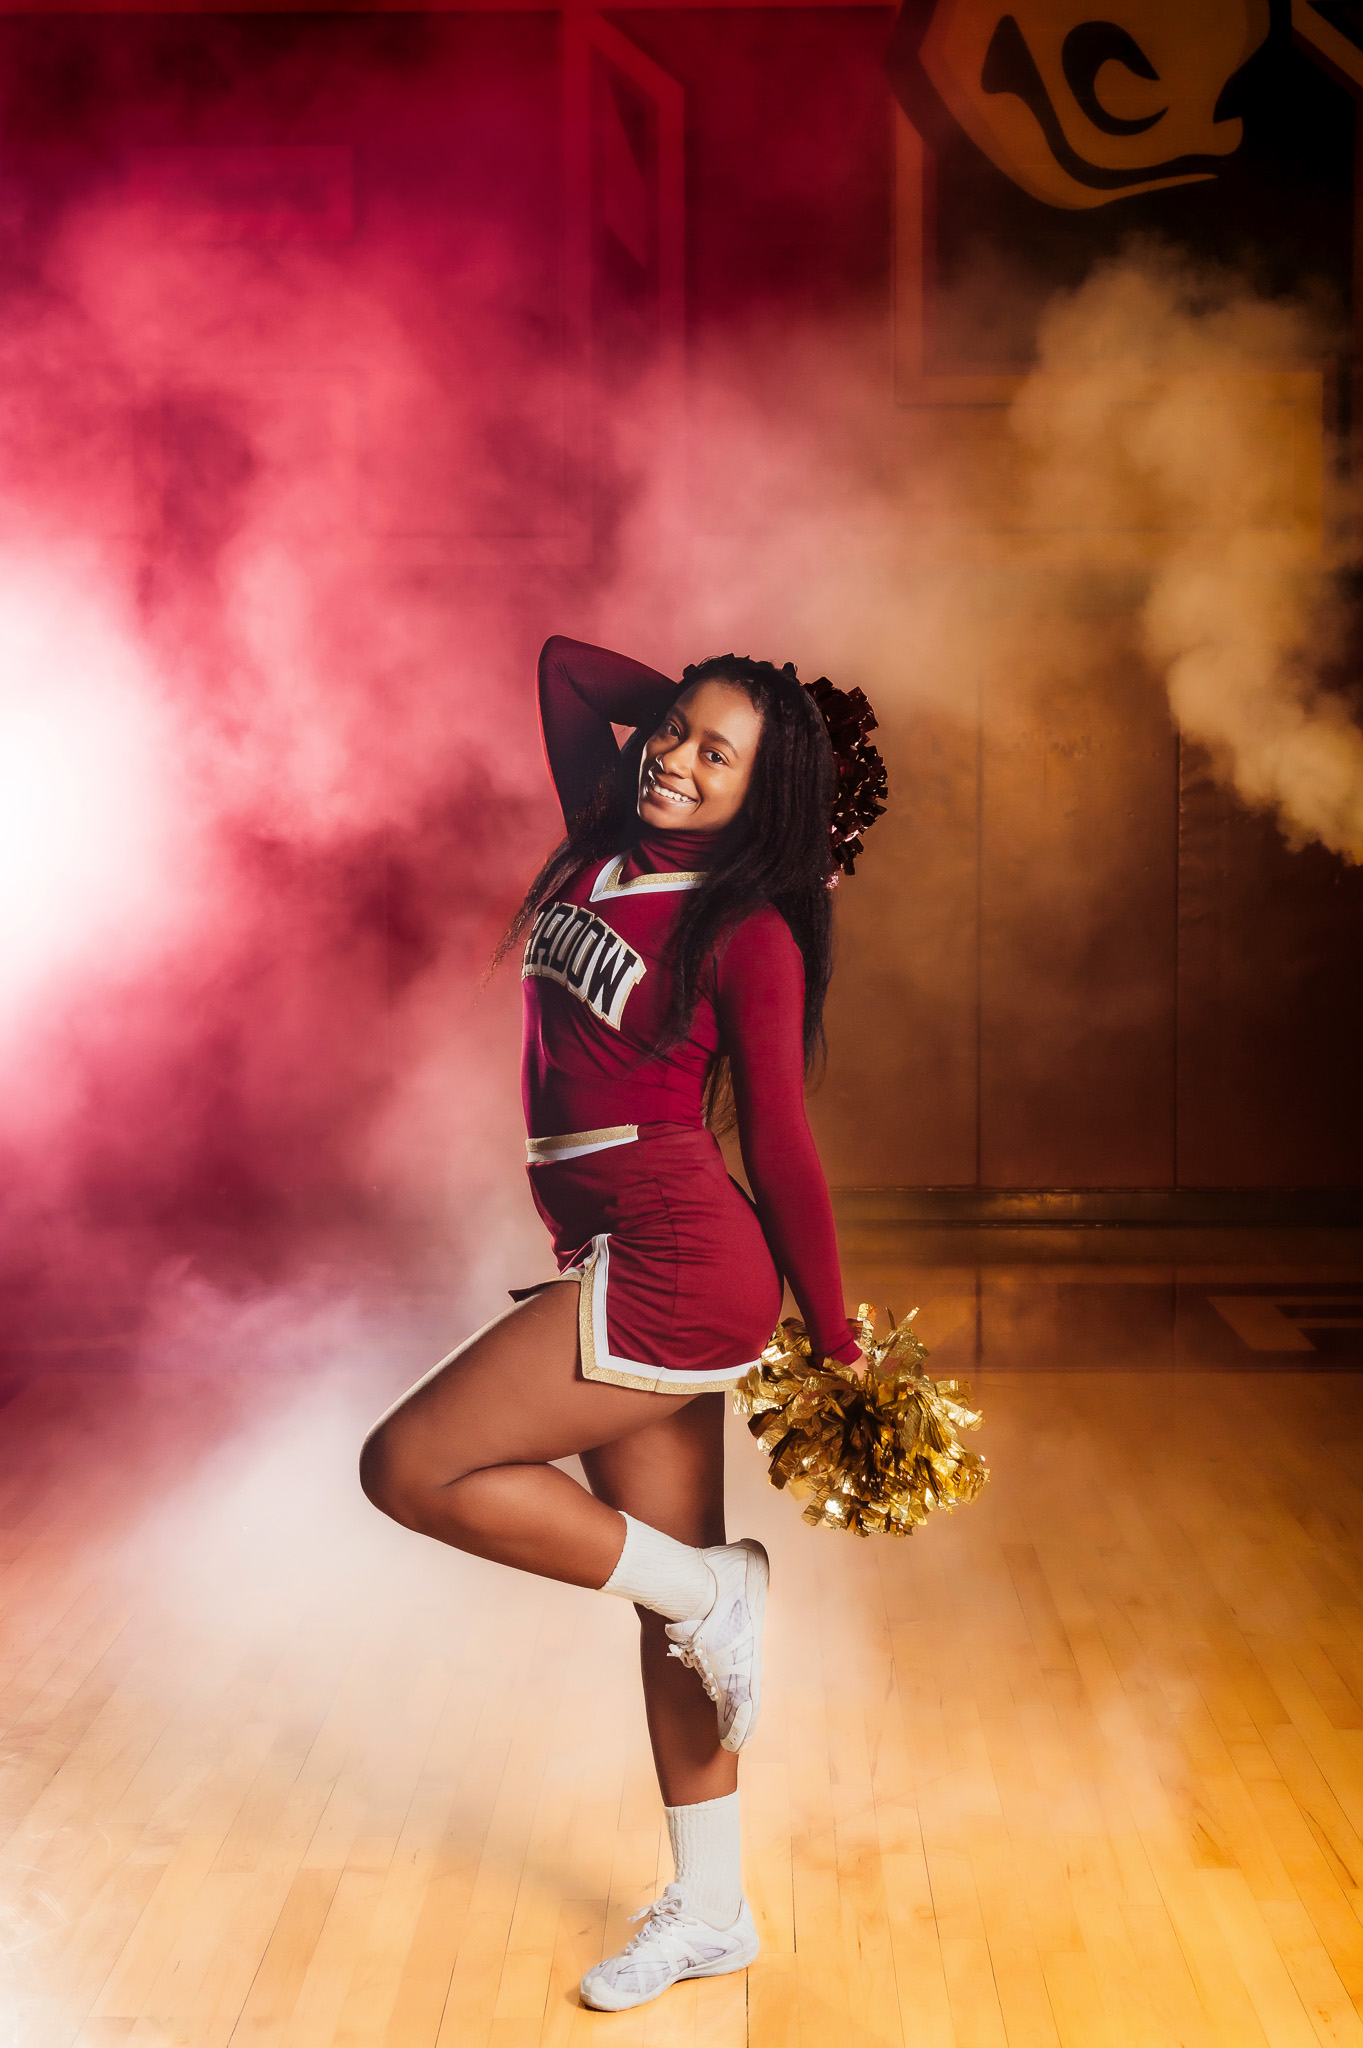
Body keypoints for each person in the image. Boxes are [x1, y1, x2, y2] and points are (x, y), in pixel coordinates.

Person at [359, 635, 885, 2012]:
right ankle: (712, 1910)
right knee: (664, 1607)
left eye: (719, 755)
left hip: (678, 1258)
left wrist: (836, 1341)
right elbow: (562, 670)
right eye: (674, 731)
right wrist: (726, 702)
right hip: (611, 1243)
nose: (672, 756)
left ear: (764, 799)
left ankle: (723, 1592)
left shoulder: (750, 927)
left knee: (408, 1469)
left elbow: (782, 1144)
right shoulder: (601, 838)